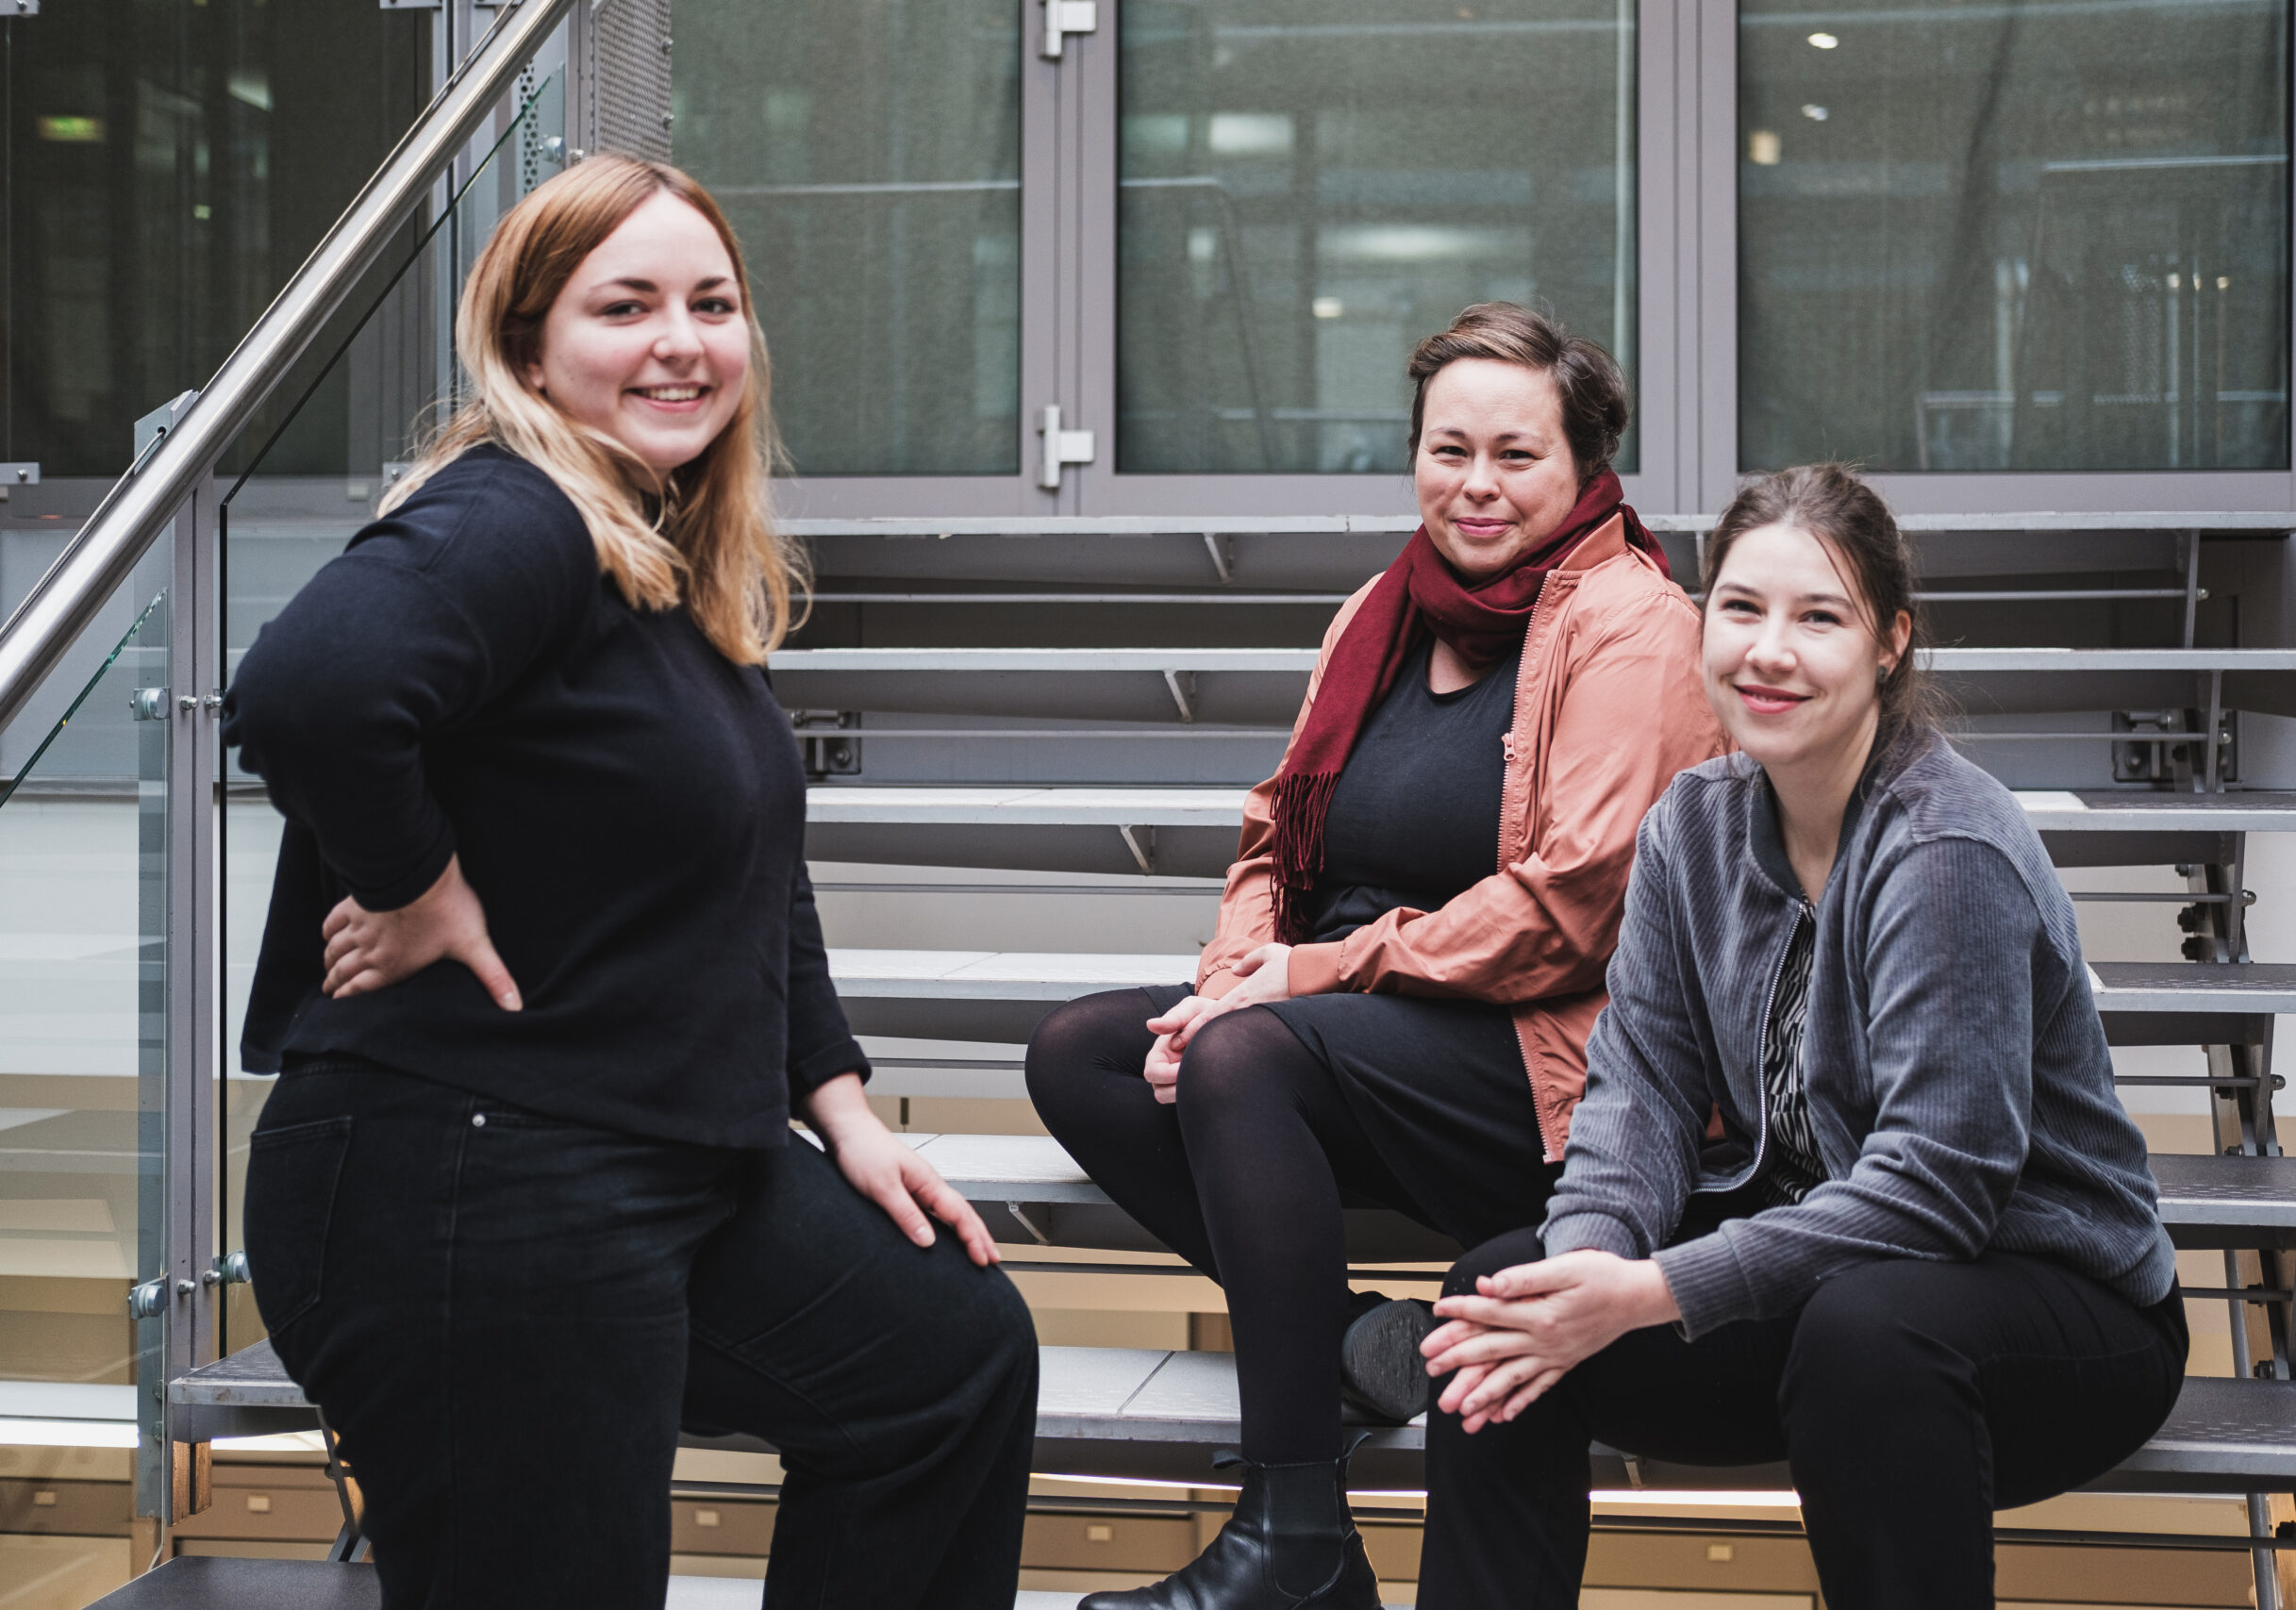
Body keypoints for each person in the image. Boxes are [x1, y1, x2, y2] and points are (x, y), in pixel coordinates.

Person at [226, 156, 1036, 1610]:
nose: (682, 339)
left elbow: (752, 865)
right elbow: (311, 687)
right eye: (627, 304)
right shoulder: (516, 512)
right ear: (530, 342)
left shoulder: (654, 555)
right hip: (469, 1167)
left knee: (940, 1356)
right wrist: (416, 880)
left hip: (666, 1154)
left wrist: (839, 1099)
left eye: (712, 302)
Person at [1025, 302, 1728, 1610]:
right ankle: (1351, 1338)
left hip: (1546, 1061)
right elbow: (1275, 831)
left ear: (1585, 466)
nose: (1474, 484)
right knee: (1081, 1053)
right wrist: (1238, 964)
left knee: (1241, 1056)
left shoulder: (1636, 625)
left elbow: (1573, 908)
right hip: (1347, 1027)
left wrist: (1306, 978)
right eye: (1447, 448)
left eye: (1516, 455)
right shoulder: (1383, 610)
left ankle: (1296, 1529)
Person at [1412, 464, 2187, 1610]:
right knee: (1503, 1297)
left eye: (1817, 617)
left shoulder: (1944, 851)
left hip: (2051, 1310)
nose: (1768, 652)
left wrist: (1642, 1293)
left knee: (1865, 1331)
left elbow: (1939, 1188)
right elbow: (1639, 1093)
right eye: (1740, 608)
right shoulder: (1693, 824)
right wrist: (1585, 1265)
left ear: (1889, 643)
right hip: (1826, 1298)